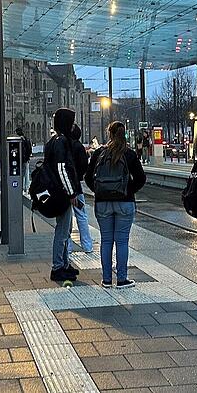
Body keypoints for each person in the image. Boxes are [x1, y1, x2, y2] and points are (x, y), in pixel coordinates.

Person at [85, 121, 146, 288]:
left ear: (109, 134)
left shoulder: (99, 153)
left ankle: (106, 280)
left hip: (103, 203)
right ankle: (121, 279)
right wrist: (127, 190)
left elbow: (88, 177)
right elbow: (141, 179)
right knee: (121, 242)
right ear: (123, 134)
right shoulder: (129, 154)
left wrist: (99, 191)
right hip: (124, 203)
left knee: (106, 241)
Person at [44, 108, 82, 282]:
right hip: (62, 193)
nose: (73, 125)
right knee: (62, 230)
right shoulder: (61, 142)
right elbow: (62, 169)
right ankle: (58, 266)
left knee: (65, 230)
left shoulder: (54, 140)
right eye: (71, 122)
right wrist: (71, 192)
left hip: (57, 191)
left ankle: (64, 264)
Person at [69, 124, 92, 253]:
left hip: (64, 186)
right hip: (76, 186)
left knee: (66, 218)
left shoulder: (64, 144)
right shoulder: (79, 147)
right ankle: (87, 246)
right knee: (81, 215)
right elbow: (84, 166)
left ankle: (68, 248)